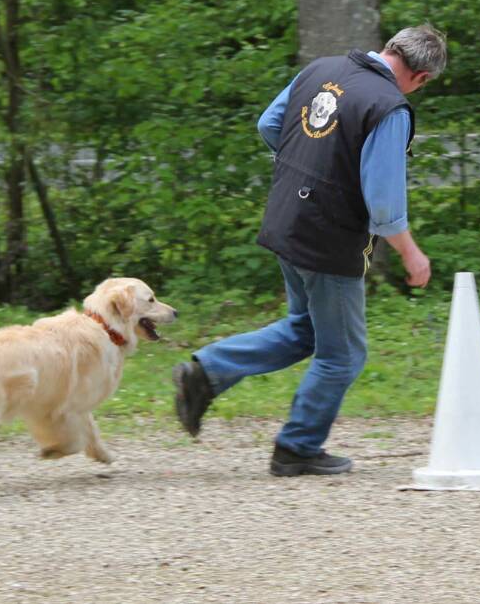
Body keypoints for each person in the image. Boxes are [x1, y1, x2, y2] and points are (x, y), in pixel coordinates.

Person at [172, 24, 447, 476]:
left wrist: (309, 169)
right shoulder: (389, 107)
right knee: (343, 355)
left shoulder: (323, 69)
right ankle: (296, 448)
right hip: (329, 238)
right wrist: (410, 253)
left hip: (286, 221)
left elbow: (269, 124)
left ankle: (207, 371)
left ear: (390, 47)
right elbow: (383, 200)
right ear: (421, 77)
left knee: (307, 330)